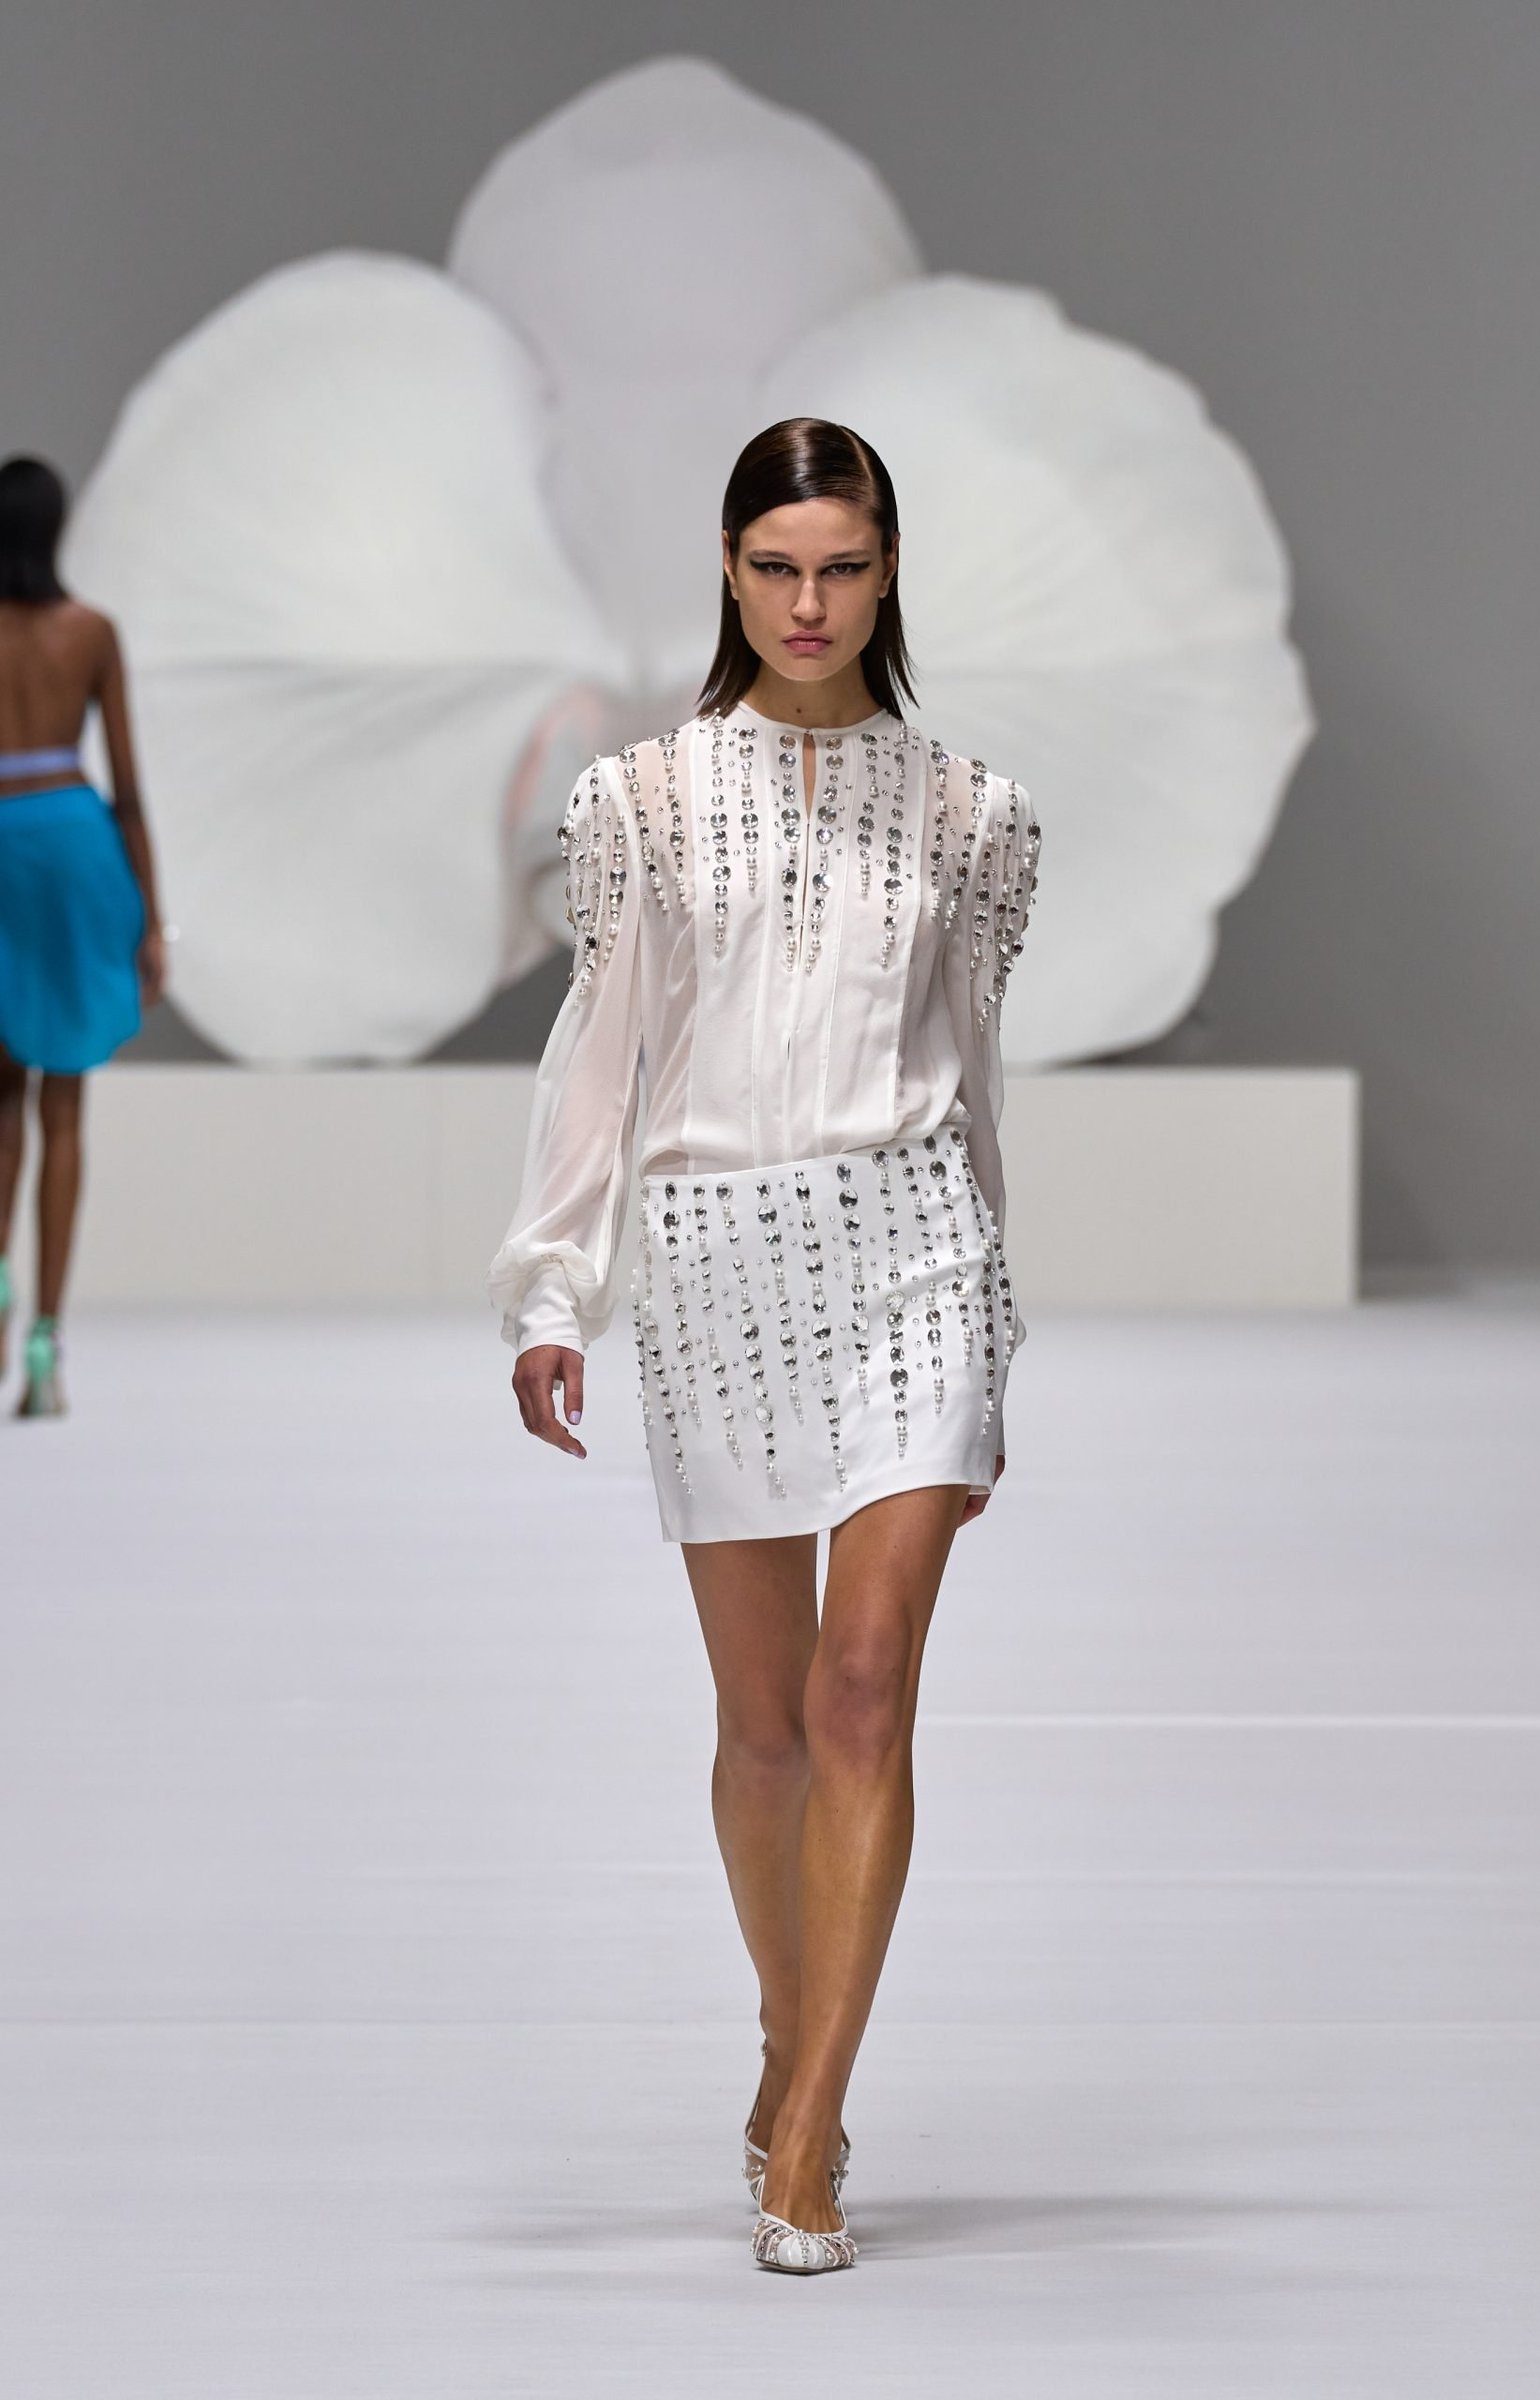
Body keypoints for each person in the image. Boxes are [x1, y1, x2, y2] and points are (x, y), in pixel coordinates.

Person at [489, 418, 1040, 2275]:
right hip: (716, 1263)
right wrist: (551, 1288)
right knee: (761, 1728)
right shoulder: (643, 801)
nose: (811, 603)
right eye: (778, 567)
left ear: (889, 577)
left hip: (915, 1256)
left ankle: (808, 2133)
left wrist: (996, 1331)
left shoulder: (969, 814)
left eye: (845, 568)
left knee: (862, 1691)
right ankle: (787, 2036)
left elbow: (975, 1078)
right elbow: (600, 1059)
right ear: (728, 571)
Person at [0, 456, 167, 1417]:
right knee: (64, 1105)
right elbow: (130, 788)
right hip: (73, 841)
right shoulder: (90, 633)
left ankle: (0, 1292)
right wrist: (150, 915)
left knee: (0, 1102)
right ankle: (45, 1343)